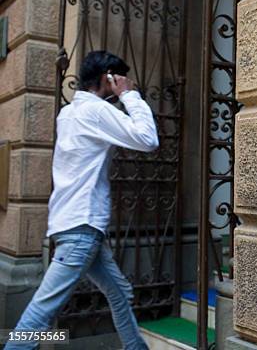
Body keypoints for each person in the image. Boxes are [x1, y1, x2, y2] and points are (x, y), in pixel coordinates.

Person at [5, 51, 158, 349]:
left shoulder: (68, 113)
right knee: (40, 313)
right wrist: (129, 96)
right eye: (119, 79)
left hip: (72, 225)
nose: (121, 86)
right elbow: (148, 139)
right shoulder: (97, 111)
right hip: (82, 230)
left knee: (120, 292)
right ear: (108, 78)